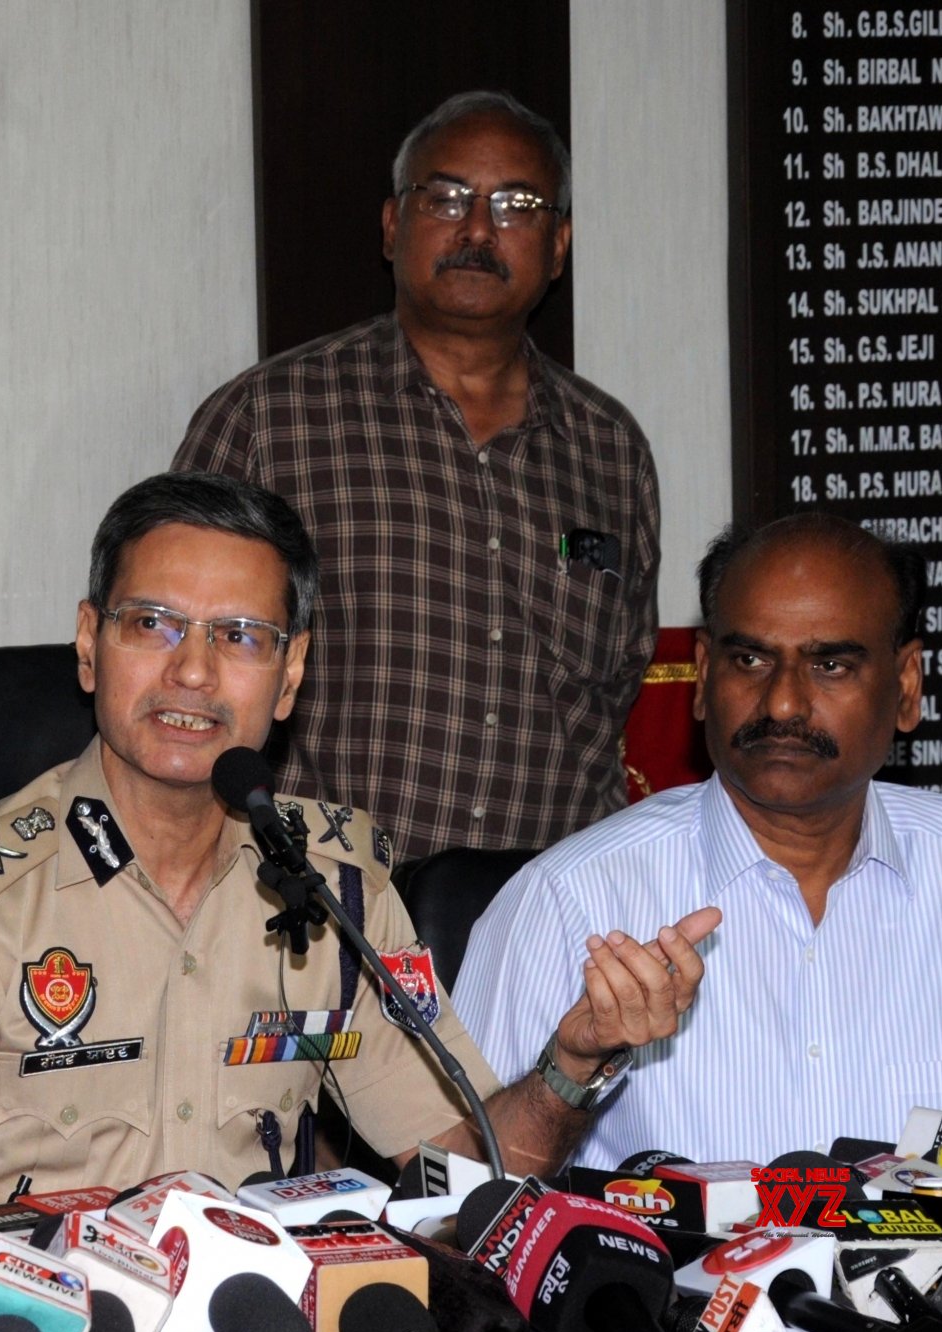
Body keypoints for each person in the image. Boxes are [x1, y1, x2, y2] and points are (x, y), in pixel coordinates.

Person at [0, 473, 712, 1210]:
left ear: (291, 674)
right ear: (89, 645)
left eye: (239, 637)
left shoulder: (336, 889)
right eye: (152, 623)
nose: (192, 671)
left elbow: (470, 1181)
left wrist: (574, 1064)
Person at [453, 513, 942, 1169]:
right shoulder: (569, 900)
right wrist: (573, 1069)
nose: (785, 704)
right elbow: (455, 1205)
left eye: (830, 664)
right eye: (752, 659)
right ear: (704, 675)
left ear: (906, 686)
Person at [171, 90, 658, 863]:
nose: (476, 230)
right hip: (321, 909)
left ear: (559, 245)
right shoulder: (271, 420)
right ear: (394, 226)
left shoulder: (610, 448)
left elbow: (619, 686)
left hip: (553, 918)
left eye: (516, 205)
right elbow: (187, 676)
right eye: (448, 197)